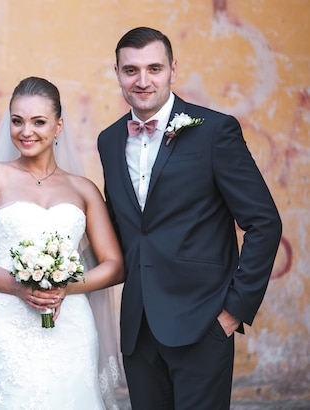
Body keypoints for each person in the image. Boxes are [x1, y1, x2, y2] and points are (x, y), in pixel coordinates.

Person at [97, 27, 282, 409]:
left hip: (203, 323)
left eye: (154, 68)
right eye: (131, 70)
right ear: (116, 72)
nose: (142, 81)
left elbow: (264, 222)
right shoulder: (109, 140)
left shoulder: (215, 131)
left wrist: (232, 312)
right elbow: (123, 227)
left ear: (173, 70)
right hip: (138, 330)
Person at [0, 76, 125, 410]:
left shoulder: (83, 189)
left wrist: (64, 289)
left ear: (59, 126)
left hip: (70, 323)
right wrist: (17, 286)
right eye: (17, 121)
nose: (26, 131)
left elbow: (114, 265)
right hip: (8, 322)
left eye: (38, 122)